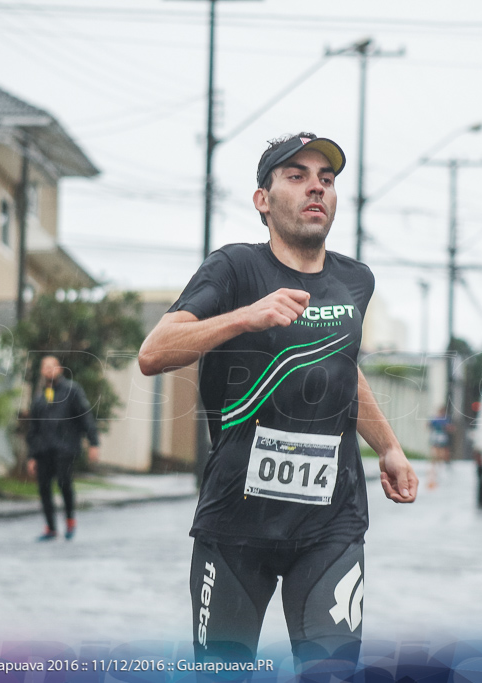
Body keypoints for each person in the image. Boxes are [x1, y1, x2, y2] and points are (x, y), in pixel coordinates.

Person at [138, 133, 418, 677]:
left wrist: (389, 447)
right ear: (262, 200)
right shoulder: (234, 269)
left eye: (327, 179)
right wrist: (248, 315)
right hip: (235, 523)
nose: (316, 186)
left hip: (331, 523)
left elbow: (341, 368)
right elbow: (154, 353)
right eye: (297, 175)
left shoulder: (355, 280)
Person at [25, 355, 100, 541]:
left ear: (60, 369)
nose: (49, 370)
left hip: (65, 448)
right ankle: (50, 528)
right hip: (44, 450)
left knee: (64, 483)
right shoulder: (40, 398)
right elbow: (33, 429)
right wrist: (32, 456)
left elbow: (85, 417)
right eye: (45, 367)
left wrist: (94, 443)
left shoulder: (72, 391)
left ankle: (69, 520)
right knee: (44, 488)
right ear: (42, 371)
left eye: (53, 366)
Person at [426, 405, 452, 489]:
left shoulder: (443, 419)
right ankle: (436, 464)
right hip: (438, 435)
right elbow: (428, 425)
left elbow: (450, 428)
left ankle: (439, 464)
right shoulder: (438, 419)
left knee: (441, 451)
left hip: (439, 435)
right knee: (437, 450)